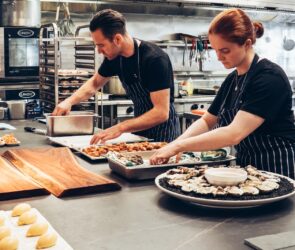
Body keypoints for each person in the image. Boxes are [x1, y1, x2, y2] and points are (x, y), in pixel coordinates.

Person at [150, 8, 295, 179]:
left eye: (225, 51)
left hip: (277, 165)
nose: (218, 57)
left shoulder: (269, 77)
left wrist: (178, 147)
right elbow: (207, 120)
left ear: (247, 44)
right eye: (216, 50)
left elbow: (234, 134)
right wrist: (174, 144)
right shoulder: (232, 79)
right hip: (248, 166)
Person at [52, 9, 180, 143]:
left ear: (117, 39)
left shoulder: (154, 59)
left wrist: (120, 127)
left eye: (101, 45)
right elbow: (95, 83)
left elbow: (161, 112)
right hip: (139, 129)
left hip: (164, 133)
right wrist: (68, 102)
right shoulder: (114, 58)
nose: (99, 51)